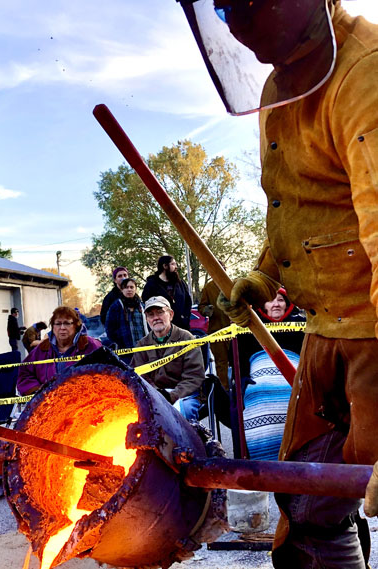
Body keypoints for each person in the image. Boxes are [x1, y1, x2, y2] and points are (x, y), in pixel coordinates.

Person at [178, 0, 378, 567]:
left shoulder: (365, 74)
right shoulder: (280, 87)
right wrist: (265, 274)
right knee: (308, 501)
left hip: (375, 334)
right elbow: (296, 203)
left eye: (245, 3)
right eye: (221, 8)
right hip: (325, 332)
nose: (235, 24)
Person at [239, 288, 305, 461]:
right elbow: (241, 360)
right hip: (259, 377)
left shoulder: (301, 325)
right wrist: (243, 378)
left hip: (295, 374)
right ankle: (266, 456)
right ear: (263, 305)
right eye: (270, 300)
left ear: (288, 305)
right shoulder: (250, 326)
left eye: (281, 300)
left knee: (297, 392)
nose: (276, 304)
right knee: (256, 392)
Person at [130, 296, 205, 421]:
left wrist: (172, 396)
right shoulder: (142, 345)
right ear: (147, 319)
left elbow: (194, 376)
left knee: (184, 412)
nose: (156, 318)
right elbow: (138, 377)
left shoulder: (186, 339)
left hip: (184, 395)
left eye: (160, 312)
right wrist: (155, 394)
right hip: (154, 396)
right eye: (151, 314)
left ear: (170, 314)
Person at [17, 306, 101, 395]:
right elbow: (24, 372)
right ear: (53, 327)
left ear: (76, 325)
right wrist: (37, 392)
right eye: (57, 323)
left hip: (85, 403)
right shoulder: (42, 348)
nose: (62, 328)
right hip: (50, 405)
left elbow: (107, 374)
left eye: (67, 323)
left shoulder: (91, 346)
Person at [105, 278, 148, 364]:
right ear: (122, 290)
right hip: (125, 352)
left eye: (132, 287)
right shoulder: (116, 306)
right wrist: (120, 343)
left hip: (144, 349)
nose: (129, 290)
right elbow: (109, 329)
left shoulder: (142, 306)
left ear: (135, 289)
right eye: (126, 287)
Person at [142, 255, 192, 330]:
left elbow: (188, 302)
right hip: (162, 329)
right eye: (173, 264)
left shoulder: (180, 283)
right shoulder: (151, 285)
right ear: (165, 266)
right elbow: (147, 305)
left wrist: (185, 317)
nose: (176, 267)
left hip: (182, 327)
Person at [199, 278, 231, 390]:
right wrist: (207, 310)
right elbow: (201, 307)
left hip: (236, 330)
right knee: (221, 363)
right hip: (217, 330)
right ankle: (225, 391)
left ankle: (239, 388)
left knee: (239, 361)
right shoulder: (209, 287)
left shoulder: (233, 284)